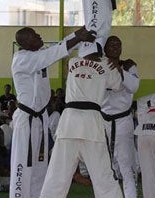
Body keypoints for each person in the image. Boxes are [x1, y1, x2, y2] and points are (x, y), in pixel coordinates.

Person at [9, 26, 95, 198]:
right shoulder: (21, 59)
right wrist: (78, 38)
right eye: (34, 36)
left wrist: (79, 33)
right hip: (27, 121)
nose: (39, 36)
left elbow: (60, 47)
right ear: (25, 43)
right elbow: (52, 54)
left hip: (40, 118)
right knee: (23, 166)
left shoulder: (37, 55)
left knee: (40, 167)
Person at [38, 47, 124, 198]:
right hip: (91, 125)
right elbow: (117, 85)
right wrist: (115, 66)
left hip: (69, 123)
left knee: (57, 175)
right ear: (100, 51)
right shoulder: (105, 64)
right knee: (103, 176)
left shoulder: (73, 62)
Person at [100, 36, 140, 198]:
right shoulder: (99, 66)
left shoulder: (129, 66)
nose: (115, 47)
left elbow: (134, 87)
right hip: (103, 121)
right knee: (106, 167)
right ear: (105, 48)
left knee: (126, 166)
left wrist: (120, 70)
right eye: (112, 45)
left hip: (123, 121)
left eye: (118, 44)